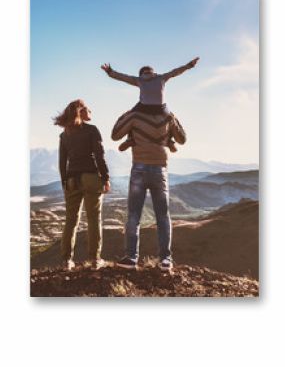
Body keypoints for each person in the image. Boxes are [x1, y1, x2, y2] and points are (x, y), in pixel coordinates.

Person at [111, 108, 186, 272]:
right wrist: (173, 117)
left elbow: (115, 134)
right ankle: (166, 260)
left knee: (134, 215)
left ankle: (131, 258)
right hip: (160, 170)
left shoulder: (135, 114)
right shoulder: (168, 116)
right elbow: (182, 139)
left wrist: (128, 114)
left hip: (139, 168)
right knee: (163, 216)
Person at [53, 99, 110, 271]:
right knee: (93, 219)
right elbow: (100, 156)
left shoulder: (65, 134)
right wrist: (106, 177)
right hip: (91, 177)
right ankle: (94, 260)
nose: (91, 112)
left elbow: (62, 161)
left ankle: (66, 261)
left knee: (71, 220)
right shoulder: (91, 130)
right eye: (88, 109)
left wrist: (64, 182)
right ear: (82, 112)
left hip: (71, 180)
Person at [100, 58, 199, 152]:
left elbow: (123, 77)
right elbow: (175, 72)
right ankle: (169, 141)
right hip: (160, 108)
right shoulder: (161, 77)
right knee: (171, 118)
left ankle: (130, 138)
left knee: (131, 115)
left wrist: (110, 71)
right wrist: (189, 65)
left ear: (140, 74)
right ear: (153, 72)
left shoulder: (139, 80)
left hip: (144, 107)